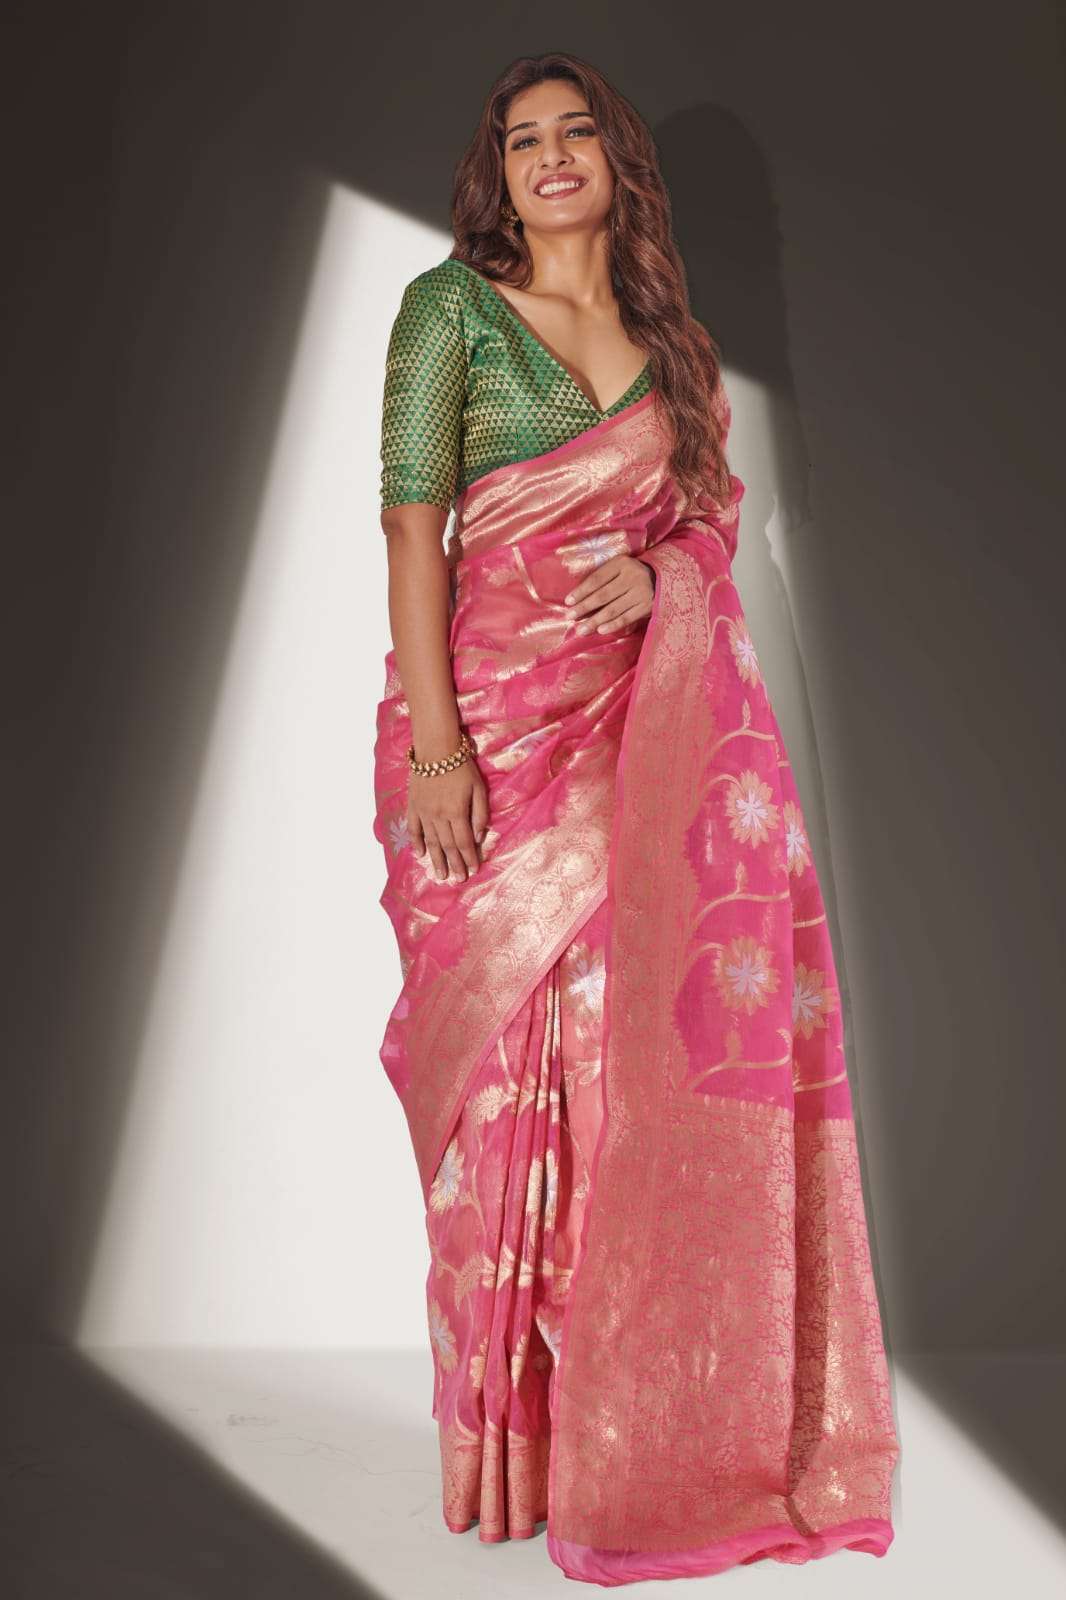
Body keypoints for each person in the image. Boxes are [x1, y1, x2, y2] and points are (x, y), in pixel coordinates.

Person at [372, 48, 900, 1586]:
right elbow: (410, 530)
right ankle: (507, 1452)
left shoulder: (674, 348)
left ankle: (628, 1439)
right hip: (488, 732)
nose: (546, 157)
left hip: (638, 744)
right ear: (496, 172)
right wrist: (438, 755)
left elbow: (709, 526)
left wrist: (662, 573)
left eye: (573, 132)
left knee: (621, 1083)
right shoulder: (449, 312)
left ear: (616, 160)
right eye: (518, 140)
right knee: (499, 1090)